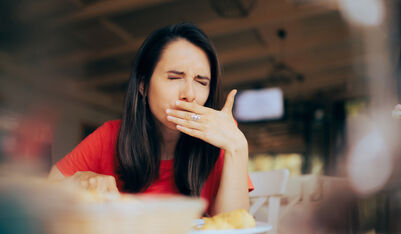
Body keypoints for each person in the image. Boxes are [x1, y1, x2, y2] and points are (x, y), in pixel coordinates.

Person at [48, 22, 253, 216]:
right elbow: (49, 189)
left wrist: (237, 147)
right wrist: (79, 180)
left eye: (201, 81)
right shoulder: (110, 136)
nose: (189, 94)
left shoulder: (223, 136)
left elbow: (234, 225)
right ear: (143, 85)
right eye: (174, 77)